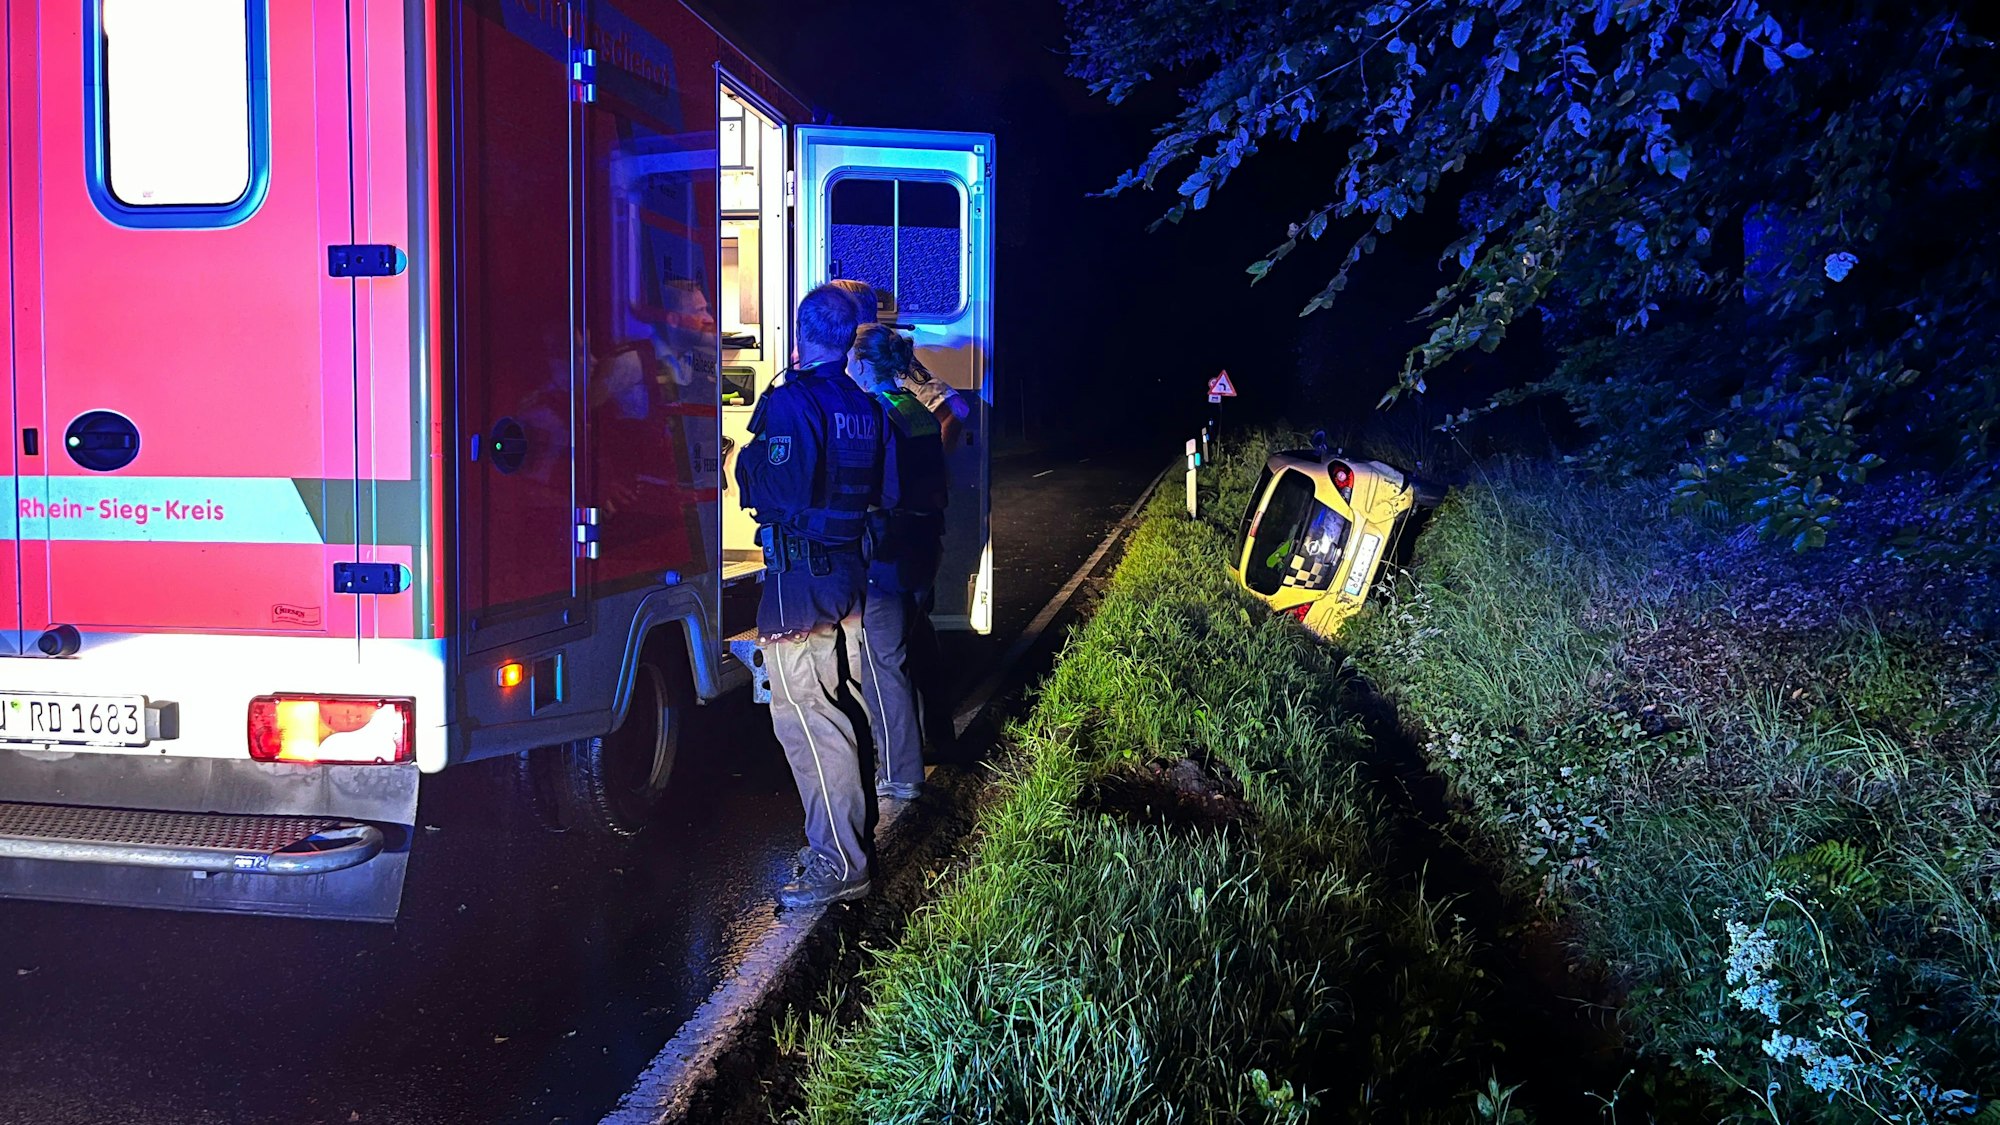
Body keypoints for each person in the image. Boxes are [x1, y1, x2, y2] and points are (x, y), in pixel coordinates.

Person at [736, 283, 894, 908]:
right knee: (842, 705)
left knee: (806, 717)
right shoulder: (862, 401)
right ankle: (852, 841)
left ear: (801, 334)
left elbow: (781, 491)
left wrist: (743, 463)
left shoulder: (792, 403)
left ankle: (839, 861)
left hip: (799, 581)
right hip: (847, 574)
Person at [847, 324, 949, 800]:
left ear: (864, 365)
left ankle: (901, 774)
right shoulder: (917, 409)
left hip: (886, 546)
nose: (848, 368)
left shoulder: (875, 412)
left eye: (852, 360)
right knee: (910, 644)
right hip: (925, 543)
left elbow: (871, 486)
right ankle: (935, 739)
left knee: (882, 662)